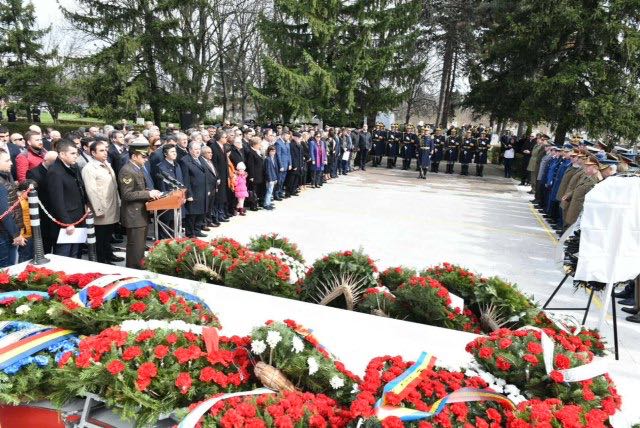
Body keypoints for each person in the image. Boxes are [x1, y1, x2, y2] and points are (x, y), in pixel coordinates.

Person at [118, 139, 162, 268]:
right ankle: (134, 268)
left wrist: (150, 191)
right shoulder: (127, 170)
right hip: (133, 214)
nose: (146, 159)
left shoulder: (136, 168)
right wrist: (148, 194)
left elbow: (138, 189)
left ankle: (138, 265)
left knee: (139, 245)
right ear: (134, 156)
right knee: (135, 245)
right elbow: (126, 194)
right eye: (143, 156)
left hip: (139, 213)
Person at [81, 141, 122, 264]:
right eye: (102, 151)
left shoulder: (106, 164)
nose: (105, 153)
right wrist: (98, 210)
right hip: (101, 207)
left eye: (106, 150)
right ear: (93, 153)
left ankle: (108, 254)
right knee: (100, 236)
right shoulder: (89, 168)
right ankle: (101, 259)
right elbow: (91, 190)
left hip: (111, 205)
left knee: (108, 234)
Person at [46, 140, 88, 259]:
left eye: (76, 153)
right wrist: (67, 223)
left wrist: (86, 204)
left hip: (78, 216)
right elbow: (57, 200)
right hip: (67, 219)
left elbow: (80, 187)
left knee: (76, 252)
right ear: (62, 154)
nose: (76, 156)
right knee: (64, 254)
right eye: (72, 153)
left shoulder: (73, 166)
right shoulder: (55, 171)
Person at [0, 149, 27, 267]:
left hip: (7, 231)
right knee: (6, 269)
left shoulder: (6, 176)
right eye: (7, 160)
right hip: (4, 233)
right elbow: (4, 212)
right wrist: (15, 234)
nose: (11, 163)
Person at [180, 141, 210, 237]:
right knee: (192, 213)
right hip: (193, 191)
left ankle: (197, 230)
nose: (198, 151)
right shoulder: (185, 160)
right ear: (190, 150)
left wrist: (208, 189)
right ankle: (190, 233)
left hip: (203, 190)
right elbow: (185, 179)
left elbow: (206, 174)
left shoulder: (200, 158)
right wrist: (188, 194)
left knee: (201, 212)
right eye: (195, 149)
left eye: (199, 149)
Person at [564, 155, 601, 228]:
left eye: (588, 166)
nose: (585, 167)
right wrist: (570, 194)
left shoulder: (595, 180)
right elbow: (578, 188)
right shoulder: (588, 177)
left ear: (595, 167)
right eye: (586, 165)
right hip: (574, 206)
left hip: (579, 210)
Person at [245, 137, 265, 211]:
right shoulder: (251, 152)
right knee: (253, 190)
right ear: (254, 144)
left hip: (260, 174)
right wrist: (251, 176)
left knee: (258, 190)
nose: (260, 145)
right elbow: (250, 165)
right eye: (259, 143)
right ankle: (253, 205)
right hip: (254, 175)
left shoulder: (257, 151)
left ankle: (257, 203)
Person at [274, 130, 292, 199]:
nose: (288, 138)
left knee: (283, 180)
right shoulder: (278, 143)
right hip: (281, 165)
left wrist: (290, 164)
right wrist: (281, 166)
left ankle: (280, 192)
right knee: (279, 180)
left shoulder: (287, 143)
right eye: (287, 136)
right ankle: (276, 194)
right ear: (283, 135)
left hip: (286, 164)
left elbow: (289, 154)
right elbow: (278, 155)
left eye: (289, 136)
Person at [263, 145, 278, 210]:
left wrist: (275, 178)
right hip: (269, 179)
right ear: (268, 151)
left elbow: (275, 169)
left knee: (270, 191)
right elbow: (268, 170)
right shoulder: (267, 159)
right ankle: (266, 204)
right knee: (269, 191)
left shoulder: (273, 158)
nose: (273, 152)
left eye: (274, 151)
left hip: (273, 177)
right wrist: (270, 179)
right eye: (271, 151)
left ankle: (268, 202)